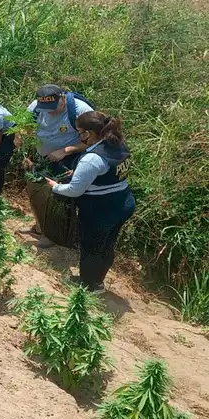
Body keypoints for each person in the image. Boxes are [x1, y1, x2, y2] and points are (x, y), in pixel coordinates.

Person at [45, 111, 135, 293]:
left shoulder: (93, 158)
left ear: (89, 133)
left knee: (91, 247)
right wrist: (79, 173)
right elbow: (108, 172)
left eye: (80, 132)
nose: (79, 137)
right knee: (107, 244)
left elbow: (74, 190)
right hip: (123, 202)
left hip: (101, 208)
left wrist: (55, 187)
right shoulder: (118, 144)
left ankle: (88, 286)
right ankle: (98, 281)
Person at [20, 83, 95, 247]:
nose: (50, 112)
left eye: (53, 107)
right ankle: (40, 227)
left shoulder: (80, 111)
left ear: (63, 98)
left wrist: (65, 151)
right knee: (39, 193)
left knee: (57, 199)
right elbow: (24, 129)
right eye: (46, 108)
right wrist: (21, 141)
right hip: (43, 157)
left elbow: (95, 142)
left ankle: (54, 236)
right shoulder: (35, 107)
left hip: (68, 160)